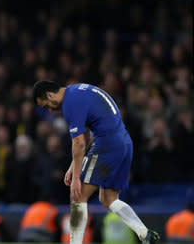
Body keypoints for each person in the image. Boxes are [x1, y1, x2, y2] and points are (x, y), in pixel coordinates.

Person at [31, 81, 160, 244]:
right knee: (108, 198)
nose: (50, 110)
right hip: (124, 143)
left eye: (47, 105)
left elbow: (78, 142)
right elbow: (86, 135)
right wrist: (73, 166)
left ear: (50, 95)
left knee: (78, 196)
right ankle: (144, 233)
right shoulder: (79, 90)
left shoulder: (70, 104)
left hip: (106, 144)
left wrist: (77, 177)